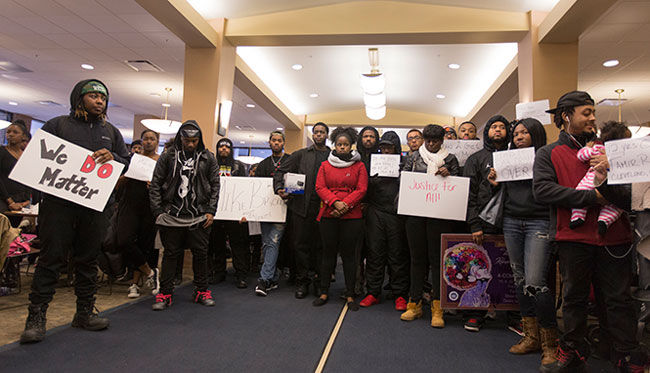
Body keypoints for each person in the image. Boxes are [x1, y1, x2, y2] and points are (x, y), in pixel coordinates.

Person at [534, 91, 646, 372]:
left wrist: (610, 186)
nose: (593, 118)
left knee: (619, 299)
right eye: (586, 113)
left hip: (615, 237)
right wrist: (591, 198)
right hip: (573, 239)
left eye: (593, 112)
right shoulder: (549, 153)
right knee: (574, 298)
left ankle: (626, 355)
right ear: (565, 117)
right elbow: (543, 190)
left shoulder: (612, 148)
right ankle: (573, 352)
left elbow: (631, 193)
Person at [20, 79, 130, 344]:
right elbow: (36, 157)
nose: (99, 101)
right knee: (51, 259)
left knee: (88, 259)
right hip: (58, 205)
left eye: (103, 97)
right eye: (93, 96)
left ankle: (83, 312)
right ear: (78, 98)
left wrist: (115, 159)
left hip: (95, 207)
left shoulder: (111, 131)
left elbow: (126, 162)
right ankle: (36, 317)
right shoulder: (58, 125)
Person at [486, 118, 557, 366]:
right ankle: (531, 336)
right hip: (512, 221)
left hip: (539, 222)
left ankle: (550, 343)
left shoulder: (546, 157)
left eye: (525, 132)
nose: (518, 136)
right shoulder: (507, 159)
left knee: (537, 281)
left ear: (536, 134)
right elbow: (503, 192)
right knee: (520, 280)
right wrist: (496, 183)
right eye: (515, 133)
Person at [149, 120, 218, 311]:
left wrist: (211, 211)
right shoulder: (168, 157)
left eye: (194, 141)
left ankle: (201, 291)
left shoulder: (208, 158)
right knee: (171, 255)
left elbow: (215, 186)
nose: (190, 144)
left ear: (199, 140)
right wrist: (158, 211)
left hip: (198, 215)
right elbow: (156, 184)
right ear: (181, 138)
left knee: (201, 255)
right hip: (171, 214)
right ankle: (165, 293)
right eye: (187, 140)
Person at [399, 125, 460, 328]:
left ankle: (437, 307)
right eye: (428, 140)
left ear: (442, 140)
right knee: (417, 260)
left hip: (440, 216)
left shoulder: (450, 159)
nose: (431, 144)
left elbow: (459, 186)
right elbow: (404, 180)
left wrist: (449, 173)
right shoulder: (413, 157)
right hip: (415, 215)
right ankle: (414, 303)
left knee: (437, 261)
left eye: (435, 141)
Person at [462, 114, 511, 332]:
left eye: (502, 127)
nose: (498, 130)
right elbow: (469, 194)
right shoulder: (476, 158)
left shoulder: (516, 157)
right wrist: (475, 224)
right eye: (494, 127)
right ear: (487, 131)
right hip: (483, 221)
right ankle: (476, 312)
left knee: (508, 267)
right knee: (480, 266)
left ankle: (512, 313)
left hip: (512, 220)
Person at [312, 127, 367, 311]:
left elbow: (362, 189)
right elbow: (320, 187)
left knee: (349, 256)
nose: (342, 147)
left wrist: (345, 206)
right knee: (328, 255)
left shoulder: (359, 165)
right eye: (339, 144)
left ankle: (350, 294)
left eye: (345, 145)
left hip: (352, 216)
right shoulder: (325, 165)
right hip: (329, 213)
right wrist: (335, 203)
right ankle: (324, 291)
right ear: (334, 145)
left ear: (351, 145)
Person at [274, 123, 330, 299]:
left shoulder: (333, 156)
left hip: (325, 209)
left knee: (322, 247)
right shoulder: (301, 154)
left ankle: (321, 283)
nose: (319, 135)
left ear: (327, 135)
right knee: (300, 246)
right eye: (316, 132)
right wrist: (279, 188)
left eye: (322, 132)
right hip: (301, 208)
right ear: (312, 135)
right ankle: (302, 281)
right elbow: (281, 171)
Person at [359, 131, 409, 311]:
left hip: (396, 214)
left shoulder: (405, 163)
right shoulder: (373, 163)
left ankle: (400, 294)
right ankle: (373, 292)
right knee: (374, 253)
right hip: (375, 212)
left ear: (396, 148)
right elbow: (363, 189)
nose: (386, 150)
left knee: (397, 255)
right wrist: (371, 180)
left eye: (390, 147)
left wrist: (402, 175)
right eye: (384, 147)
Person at [117, 129, 161, 299]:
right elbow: (118, 183)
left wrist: (155, 186)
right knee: (124, 240)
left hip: (149, 206)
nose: (148, 142)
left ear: (157, 142)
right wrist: (126, 176)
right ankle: (150, 272)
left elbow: (166, 185)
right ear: (141, 141)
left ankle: (134, 284)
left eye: (152, 139)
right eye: (145, 139)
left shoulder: (161, 161)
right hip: (130, 205)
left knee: (144, 244)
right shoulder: (131, 159)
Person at [569, 122, 631, 235]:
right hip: (597, 179)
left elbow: (582, 155)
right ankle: (598, 220)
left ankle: (600, 221)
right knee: (614, 206)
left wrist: (587, 148)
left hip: (605, 183)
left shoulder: (600, 149)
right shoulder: (600, 149)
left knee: (615, 204)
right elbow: (582, 155)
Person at [208, 137, 250, 288]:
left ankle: (241, 275)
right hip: (216, 211)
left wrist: (243, 212)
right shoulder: (211, 165)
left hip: (234, 212)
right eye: (221, 147)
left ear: (231, 149)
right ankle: (219, 272)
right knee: (217, 244)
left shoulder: (239, 166)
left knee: (238, 245)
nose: (223, 149)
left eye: (227, 147)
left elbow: (245, 190)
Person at [254, 131, 291, 296]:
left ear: (284, 143)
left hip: (283, 209)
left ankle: (264, 279)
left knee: (273, 242)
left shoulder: (290, 160)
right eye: (273, 140)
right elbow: (256, 188)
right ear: (269, 143)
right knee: (267, 243)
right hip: (265, 210)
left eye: (279, 140)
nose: (276, 143)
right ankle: (274, 277)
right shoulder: (262, 165)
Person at [0, 120, 34, 214]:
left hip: (22, 201)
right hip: (3, 199)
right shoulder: (2, 151)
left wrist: (26, 202)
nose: (10, 134)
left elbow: (28, 179)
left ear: (24, 136)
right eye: (8, 132)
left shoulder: (26, 156)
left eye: (15, 132)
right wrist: (10, 201)